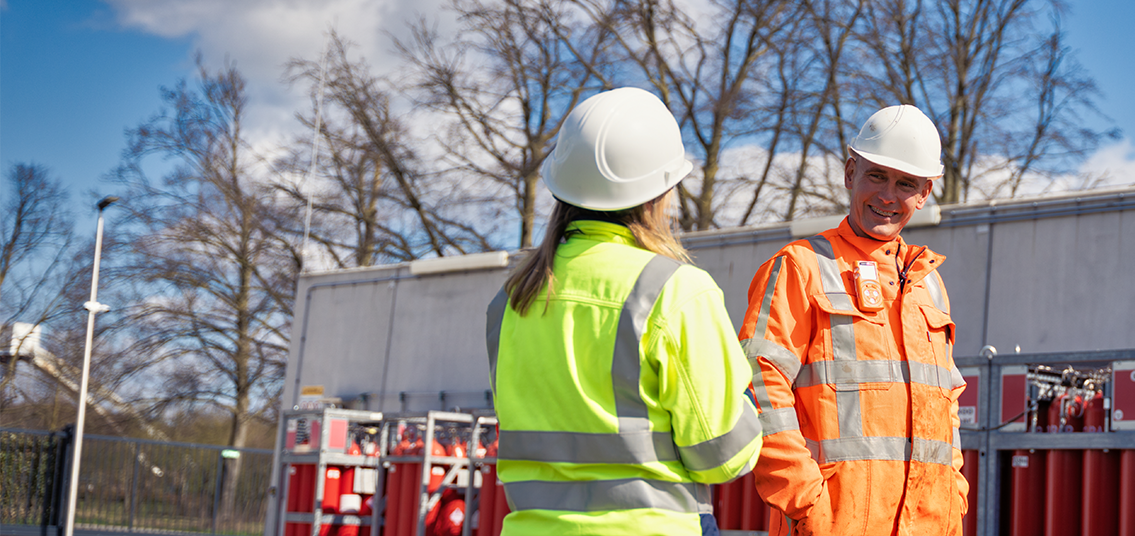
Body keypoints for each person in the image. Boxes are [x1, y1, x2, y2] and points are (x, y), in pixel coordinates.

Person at [485, 87, 763, 535]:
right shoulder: (675, 291)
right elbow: (723, 455)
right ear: (662, 191)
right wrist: (750, 397)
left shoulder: (510, 300)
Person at [738, 105, 968, 535]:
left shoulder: (929, 286)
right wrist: (807, 504)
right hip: (831, 524)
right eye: (876, 176)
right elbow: (758, 385)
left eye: (905, 184)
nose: (887, 196)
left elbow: (946, 408)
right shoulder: (800, 268)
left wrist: (953, 498)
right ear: (850, 173)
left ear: (925, 194)